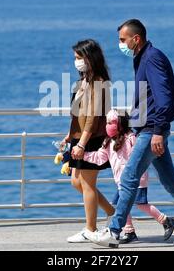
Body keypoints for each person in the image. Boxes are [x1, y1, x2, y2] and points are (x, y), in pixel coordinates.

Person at [91, 19, 174, 248]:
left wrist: (156, 132)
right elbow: (152, 98)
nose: (120, 45)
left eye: (122, 40)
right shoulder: (142, 58)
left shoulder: (152, 58)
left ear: (136, 39)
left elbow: (163, 98)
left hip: (151, 130)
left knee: (128, 177)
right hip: (151, 128)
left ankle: (114, 231)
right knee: (171, 180)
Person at [83, 109, 174, 244]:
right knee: (120, 204)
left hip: (137, 179)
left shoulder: (131, 138)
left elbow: (139, 158)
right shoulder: (108, 142)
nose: (108, 125)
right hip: (121, 181)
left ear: (120, 124)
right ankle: (129, 231)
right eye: (107, 122)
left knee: (141, 204)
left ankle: (166, 221)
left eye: (112, 122)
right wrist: (83, 156)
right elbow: (98, 158)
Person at [60, 39, 116, 243]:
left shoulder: (98, 81)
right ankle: (112, 212)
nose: (75, 61)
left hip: (91, 138)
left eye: (78, 57)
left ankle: (90, 229)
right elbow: (77, 113)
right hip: (79, 136)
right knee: (77, 182)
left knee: (87, 183)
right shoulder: (84, 80)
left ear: (89, 58)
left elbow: (92, 117)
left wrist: (82, 144)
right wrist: (70, 135)